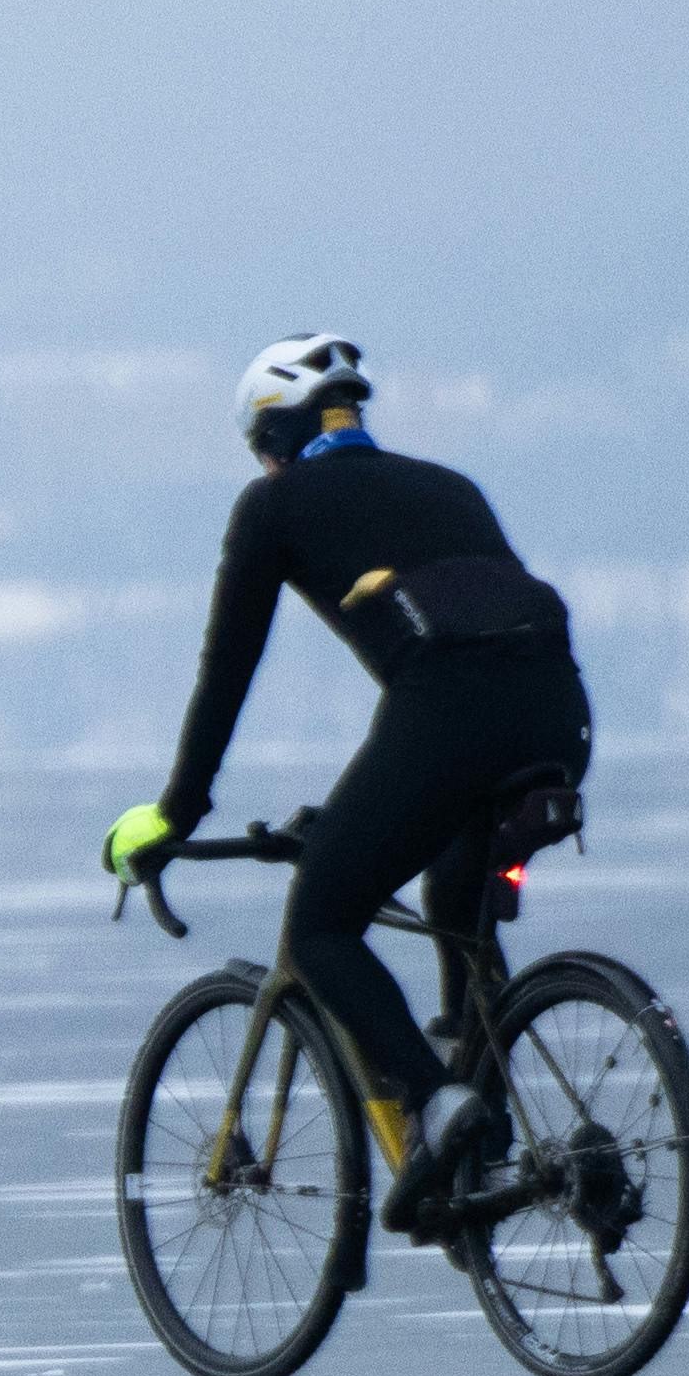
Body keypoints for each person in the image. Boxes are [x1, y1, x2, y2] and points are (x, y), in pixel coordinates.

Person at [101, 336, 591, 1239]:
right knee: (458, 879)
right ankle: (486, 1116)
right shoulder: (449, 485)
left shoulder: (273, 504)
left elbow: (226, 673)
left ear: (271, 436)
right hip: (559, 715)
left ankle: (442, 1105)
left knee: (321, 922)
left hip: (448, 719)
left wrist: (175, 813)